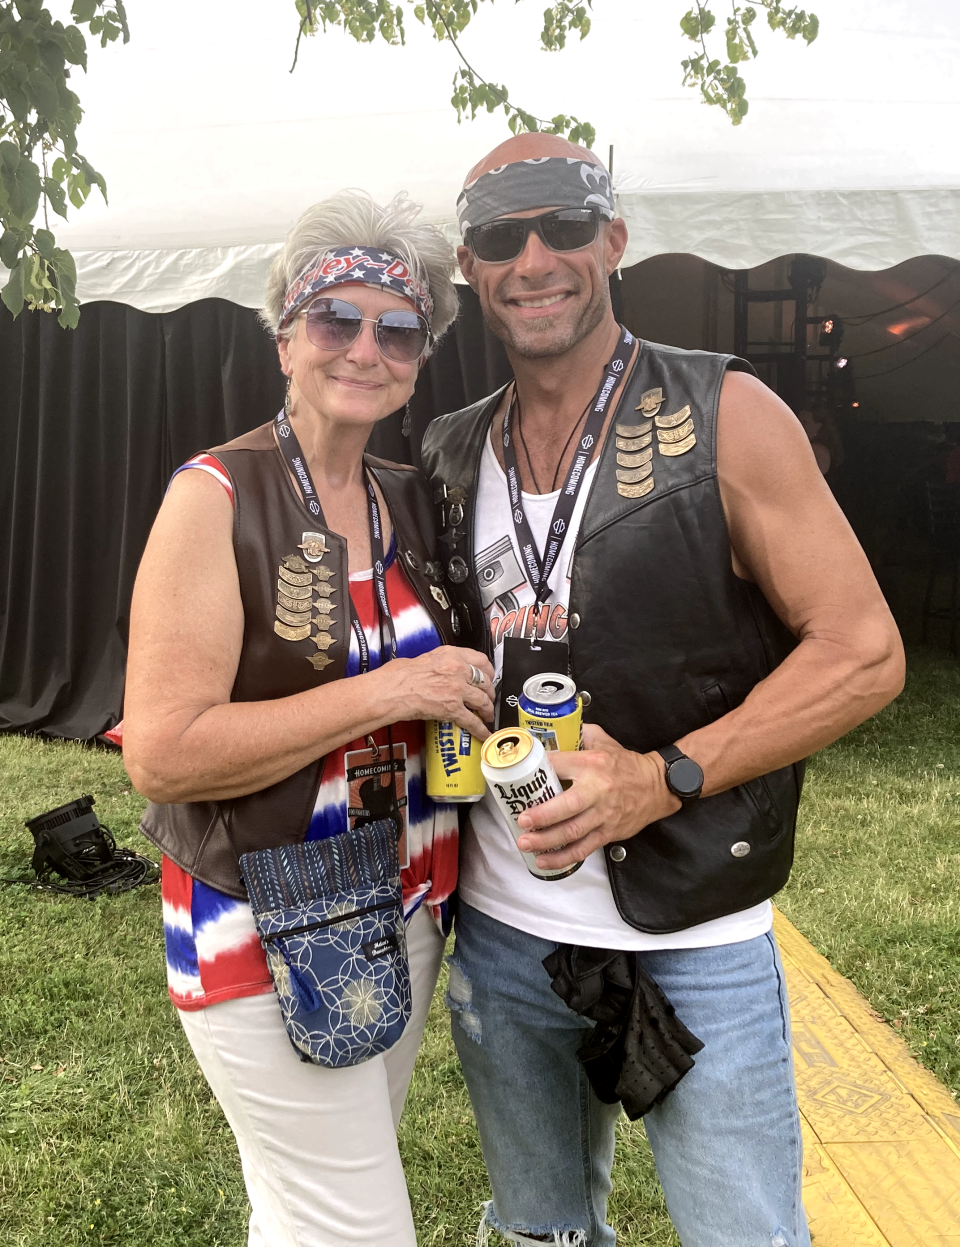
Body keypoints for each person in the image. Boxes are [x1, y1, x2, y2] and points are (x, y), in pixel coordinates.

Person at [420, 135, 905, 1247]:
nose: (534, 256)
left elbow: (865, 650)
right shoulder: (450, 451)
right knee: (541, 1230)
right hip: (505, 937)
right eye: (501, 236)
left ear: (615, 241)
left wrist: (664, 775)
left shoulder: (726, 410)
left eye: (563, 225)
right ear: (471, 266)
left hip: (700, 929)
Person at [123, 190, 494, 1247]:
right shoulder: (218, 495)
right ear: (286, 332)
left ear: (420, 355)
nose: (364, 348)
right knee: (358, 1229)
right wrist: (391, 691)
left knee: (302, 1214)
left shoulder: (406, 497)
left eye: (398, 328)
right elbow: (162, 751)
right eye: (337, 319)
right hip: (267, 917)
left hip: (407, 903)